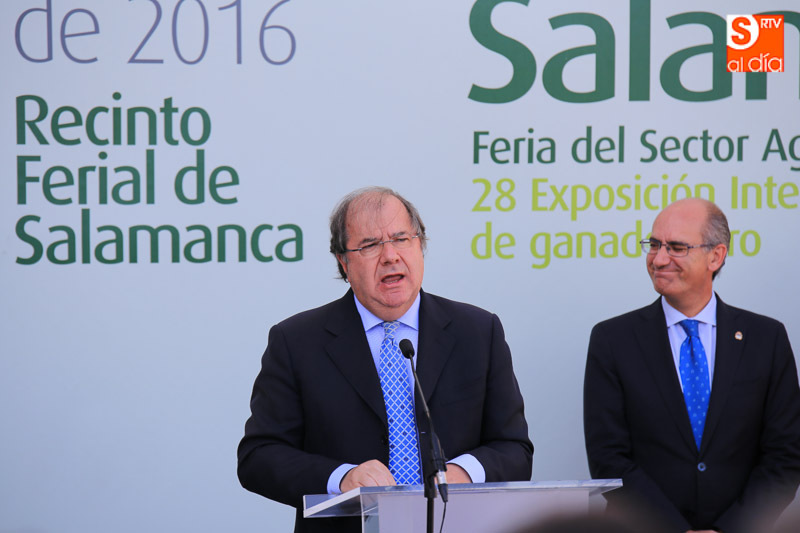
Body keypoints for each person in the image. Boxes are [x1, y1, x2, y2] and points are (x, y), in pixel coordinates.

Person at [238, 186, 533, 532]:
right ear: (343, 262)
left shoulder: (478, 332)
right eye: (370, 245)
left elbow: (514, 449)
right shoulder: (297, 341)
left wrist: (462, 473)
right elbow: (259, 456)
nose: (390, 256)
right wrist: (341, 477)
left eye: (401, 239)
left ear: (420, 246)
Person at [583, 197, 800, 533]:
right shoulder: (613, 340)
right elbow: (609, 459)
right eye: (654, 245)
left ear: (716, 256)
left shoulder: (766, 339)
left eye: (676, 247)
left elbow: (785, 456)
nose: (659, 259)